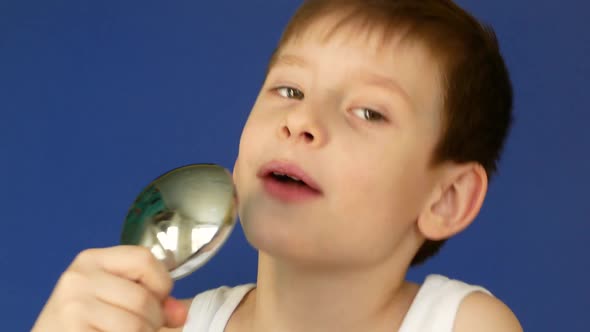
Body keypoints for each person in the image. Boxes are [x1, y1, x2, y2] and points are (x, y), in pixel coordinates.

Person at [32, 0, 523, 331]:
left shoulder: (463, 323)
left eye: (369, 112)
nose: (300, 120)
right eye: (288, 90)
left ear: (445, 198)